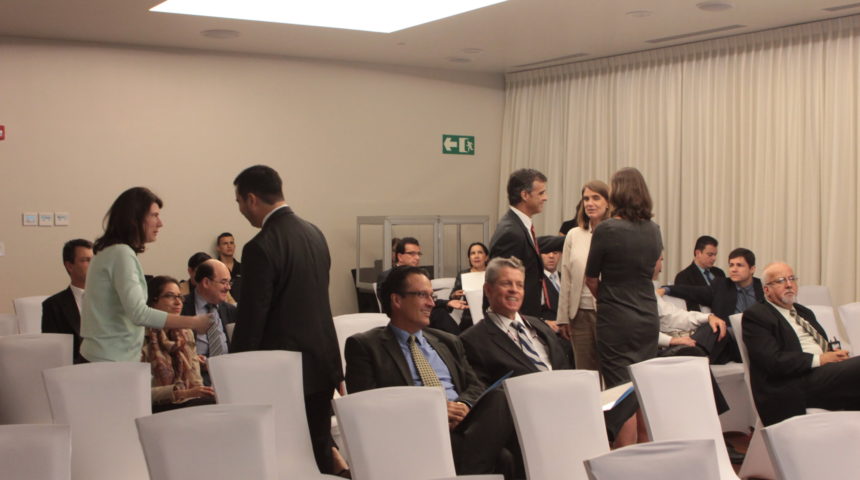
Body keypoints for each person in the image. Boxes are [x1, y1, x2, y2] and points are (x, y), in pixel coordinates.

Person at [345, 266, 520, 478]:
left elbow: (475, 385)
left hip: (464, 426)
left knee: (501, 397)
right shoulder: (365, 346)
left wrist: (463, 405)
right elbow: (366, 408)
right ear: (397, 300)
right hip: (416, 433)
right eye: (422, 295)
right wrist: (432, 410)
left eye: (432, 296)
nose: (432, 303)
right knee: (502, 457)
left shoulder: (448, 341)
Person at [230, 165, 342, 474]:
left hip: (281, 371)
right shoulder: (315, 234)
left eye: (239, 202)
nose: (241, 210)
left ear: (251, 199)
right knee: (318, 452)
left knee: (283, 456)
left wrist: (234, 371)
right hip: (321, 365)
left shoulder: (260, 246)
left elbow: (252, 318)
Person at [460, 256, 637, 445]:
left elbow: (564, 368)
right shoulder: (473, 340)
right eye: (506, 283)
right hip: (532, 413)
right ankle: (588, 432)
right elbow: (485, 396)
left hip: (568, 400)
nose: (514, 290)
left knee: (631, 390)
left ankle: (590, 430)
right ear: (488, 289)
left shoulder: (539, 326)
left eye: (519, 285)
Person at [80, 187, 211, 363]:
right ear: (135, 219)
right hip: (111, 359)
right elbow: (139, 314)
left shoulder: (108, 252)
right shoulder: (121, 253)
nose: (160, 223)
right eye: (154, 215)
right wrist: (193, 322)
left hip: (105, 356)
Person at [743, 262, 860, 426]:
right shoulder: (756, 316)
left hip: (822, 375)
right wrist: (820, 359)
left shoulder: (804, 312)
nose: (789, 284)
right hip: (793, 383)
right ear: (767, 289)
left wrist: (834, 355)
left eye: (792, 279)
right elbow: (772, 361)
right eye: (781, 281)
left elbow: (822, 346)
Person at [584, 168, 663, 389]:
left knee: (619, 389)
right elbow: (654, 271)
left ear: (617, 193)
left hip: (616, 320)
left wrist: (609, 299)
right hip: (648, 316)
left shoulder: (606, 229)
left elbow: (590, 278)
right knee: (644, 387)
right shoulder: (654, 230)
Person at [489, 168, 564, 317]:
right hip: (517, 317)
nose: (545, 198)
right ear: (525, 195)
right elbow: (505, 287)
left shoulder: (518, 225)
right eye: (541, 193)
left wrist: (572, 238)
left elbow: (534, 244)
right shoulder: (511, 232)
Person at [556, 180, 610, 371]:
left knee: (609, 371)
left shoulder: (615, 233)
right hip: (578, 315)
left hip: (607, 314)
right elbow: (566, 279)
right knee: (585, 371)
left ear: (608, 203)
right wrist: (563, 318)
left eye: (596, 198)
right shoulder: (573, 235)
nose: (590, 203)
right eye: (586, 199)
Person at [143, 275, 215, 411]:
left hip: (189, 402)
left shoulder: (185, 332)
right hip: (156, 407)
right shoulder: (142, 336)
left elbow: (196, 382)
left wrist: (200, 392)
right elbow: (138, 392)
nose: (178, 302)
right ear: (153, 301)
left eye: (180, 297)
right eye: (170, 296)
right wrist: (182, 394)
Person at [661, 247, 764, 336]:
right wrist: (666, 289)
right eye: (731, 265)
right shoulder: (721, 286)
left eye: (739, 265)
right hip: (728, 338)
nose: (733, 269)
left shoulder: (763, 288)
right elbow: (692, 291)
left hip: (757, 337)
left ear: (752, 269)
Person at [181, 259, 236, 385]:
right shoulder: (181, 308)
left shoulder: (231, 311)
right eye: (224, 282)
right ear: (206, 282)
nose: (228, 287)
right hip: (195, 378)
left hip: (228, 375)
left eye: (229, 282)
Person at [42, 238, 93, 363]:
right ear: (70, 266)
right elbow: (53, 353)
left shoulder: (110, 299)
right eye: (86, 260)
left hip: (112, 366)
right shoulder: (53, 306)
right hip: (74, 370)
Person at [445, 241, 489, 334]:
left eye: (480, 252)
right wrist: (455, 295)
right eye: (472, 253)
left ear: (486, 257)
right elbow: (452, 298)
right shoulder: (463, 274)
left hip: (490, 317)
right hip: (468, 320)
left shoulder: (492, 273)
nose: (476, 256)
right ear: (469, 258)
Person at [674, 235, 726, 310]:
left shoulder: (719, 273)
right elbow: (689, 307)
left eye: (715, 255)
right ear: (698, 253)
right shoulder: (684, 277)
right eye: (710, 255)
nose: (714, 258)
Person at [215, 232, 242, 302]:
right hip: (221, 305)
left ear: (234, 246)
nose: (229, 246)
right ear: (218, 248)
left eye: (231, 243)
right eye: (225, 243)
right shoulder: (214, 268)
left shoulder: (243, 268)